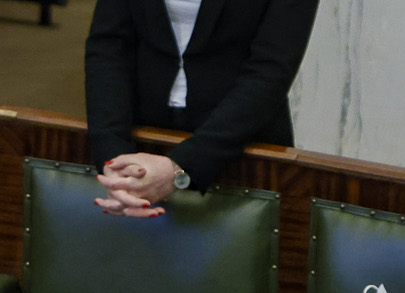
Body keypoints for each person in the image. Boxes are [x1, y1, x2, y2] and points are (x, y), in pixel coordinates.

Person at [83, 0, 318, 216]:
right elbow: (108, 47)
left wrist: (181, 168)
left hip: (242, 151)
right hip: (140, 146)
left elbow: (271, 72)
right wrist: (114, 162)